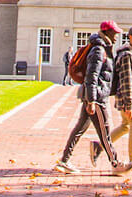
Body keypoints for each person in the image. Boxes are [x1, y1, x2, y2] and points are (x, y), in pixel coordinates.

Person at [54, 21, 127, 174]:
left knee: (80, 128)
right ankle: (115, 163)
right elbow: (92, 76)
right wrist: (92, 100)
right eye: (114, 33)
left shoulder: (102, 49)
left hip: (94, 95)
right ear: (106, 32)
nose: (116, 37)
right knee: (104, 131)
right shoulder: (99, 51)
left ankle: (64, 161)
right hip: (97, 97)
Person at [93, 25, 132, 171]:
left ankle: (99, 146)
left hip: (129, 97)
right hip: (129, 98)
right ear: (130, 37)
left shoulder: (131, 53)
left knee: (126, 126)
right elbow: (126, 80)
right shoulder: (127, 55)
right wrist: (129, 104)